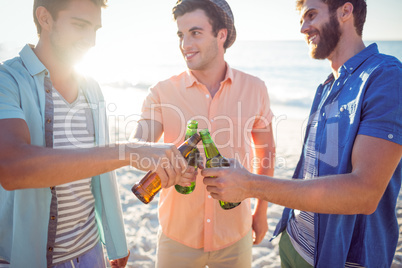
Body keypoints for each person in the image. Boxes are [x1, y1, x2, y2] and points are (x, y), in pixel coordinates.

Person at [202, 0, 402, 267]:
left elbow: (364, 193)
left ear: (345, 11)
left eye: (311, 15)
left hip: (339, 258)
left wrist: (249, 185)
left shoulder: (386, 77)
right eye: (302, 20)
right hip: (292, 243)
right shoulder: (328, 85)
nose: (304, 28)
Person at [0, 0, 191, 267]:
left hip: (91, 252)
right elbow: (12, 168)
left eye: (95, 30)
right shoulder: (6, 80)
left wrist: (115, 239)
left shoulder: (91, 87)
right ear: (44, 18)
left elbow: (101, 170)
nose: (90, 41)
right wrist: (129, 151)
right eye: (80, 26)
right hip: (30, 258)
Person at [131, 0, 276, 267]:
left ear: (221, 35)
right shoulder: (161, 92)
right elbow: (137, 147)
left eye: (195, 33)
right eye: (181, 34)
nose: (185, 44)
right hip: (177, 238)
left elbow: (265, 152)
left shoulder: (255, 89)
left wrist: (261, 211)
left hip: (235, 234)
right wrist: (164, 162)